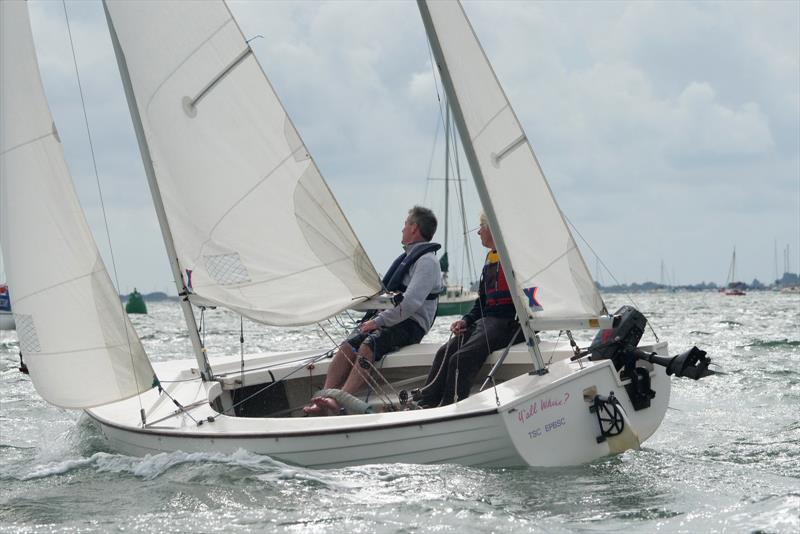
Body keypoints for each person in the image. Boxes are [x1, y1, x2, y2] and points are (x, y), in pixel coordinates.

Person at [304, 206, 443, 415]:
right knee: (347, 347)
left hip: (412, 324)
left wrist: (377, 322)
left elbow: (410, 304)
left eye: (405, 224)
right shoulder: (409, 257)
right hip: (394, 319)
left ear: (414, 228)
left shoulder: (427, 262)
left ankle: (340, 401)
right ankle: (325, 397)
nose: (402, 228)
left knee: (369, 345)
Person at [416, 214, 524, 408]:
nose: (478, 231)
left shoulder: (513, 258)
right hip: (487, 322)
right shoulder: (491, 257)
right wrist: (466, 321)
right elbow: (481, 303)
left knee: (461, 359)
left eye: (482, 226)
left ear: (493, 229)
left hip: (509, 324)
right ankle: (426, 404)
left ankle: (451, 408)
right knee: (444, 352)